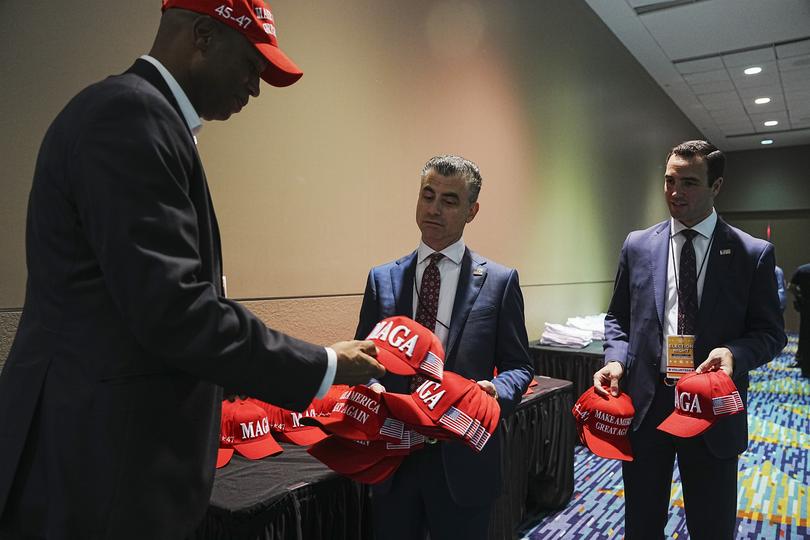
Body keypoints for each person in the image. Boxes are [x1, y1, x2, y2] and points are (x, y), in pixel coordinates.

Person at [0, 1, 384, 538]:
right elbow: (175, 311)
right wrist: (322, 365)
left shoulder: (144, 118)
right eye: (251, 66)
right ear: (203, 35)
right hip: (96, 471)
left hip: (102, 461)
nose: (255, 87)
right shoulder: (128, 117)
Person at [593, 140, 785, 539]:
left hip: (711, 405)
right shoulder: (638, 244)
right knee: (641, 524)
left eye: (690, 183)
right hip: (648, 404)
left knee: (710, 524)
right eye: (669, 181)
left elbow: (770, 333)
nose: (675, 193)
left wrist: (733, 354)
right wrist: (615, 358)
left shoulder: (752, 253)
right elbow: (618, 318)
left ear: (717, 186)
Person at [355, 155, 534, 540]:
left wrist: (493, 394)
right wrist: (371, 393)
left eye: (449, 201)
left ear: (472, 211)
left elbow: (520, 365)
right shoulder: (382, 278)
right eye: (428, 195)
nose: (434, 209)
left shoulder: (500, 283)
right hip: (393, 458)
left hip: (463, 458)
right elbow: (364, 361)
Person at [790, 263, 810, 377]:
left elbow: (791, 287)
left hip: (805, 306)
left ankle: (802, 359)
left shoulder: (802, 269)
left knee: (804, 333)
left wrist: (799, 296)